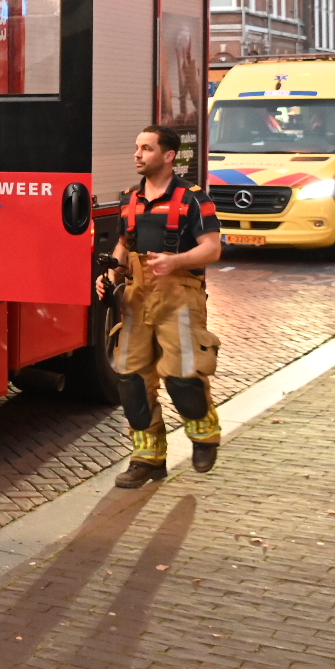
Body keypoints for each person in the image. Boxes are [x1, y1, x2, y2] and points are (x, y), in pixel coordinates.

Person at [96, 125, 224, 487]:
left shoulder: (193, 199)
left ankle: (204, 435)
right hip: (136, 298)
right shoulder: (129, 199)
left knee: (183, 374)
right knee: (131, 379)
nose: (137, 154)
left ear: (168, 156)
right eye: (137, 148)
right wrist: (113, 276)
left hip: (179, 296)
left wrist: (176, 261)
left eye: (146, 149)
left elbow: (213, 248)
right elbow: (124, 245)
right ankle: (147, 458)